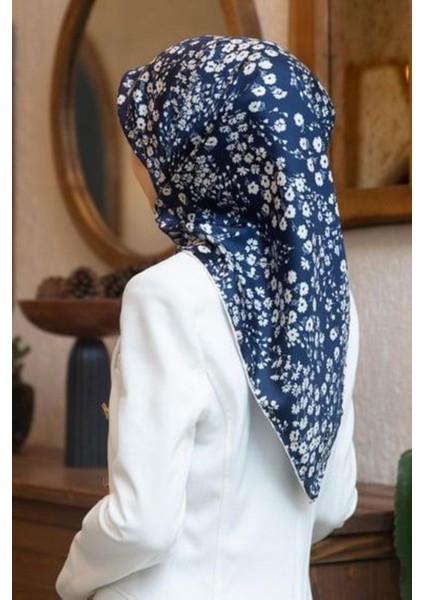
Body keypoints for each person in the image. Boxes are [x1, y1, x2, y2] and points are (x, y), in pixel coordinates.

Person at [56, 35, 359, 600]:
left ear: (199, 157)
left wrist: (71, 577)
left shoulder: (166, 295)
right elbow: (333, 502)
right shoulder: (328, 300)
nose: (140, 160)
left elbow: (140, 524)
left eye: (150, 140)